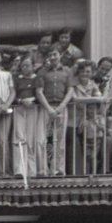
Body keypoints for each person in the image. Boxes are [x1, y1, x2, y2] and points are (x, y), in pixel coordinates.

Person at [36, 48, 74, 176]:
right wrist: (49, 108)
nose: (53, 57)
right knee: (45, 139)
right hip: (47, 107)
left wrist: (61, 107)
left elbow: (70, 90)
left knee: (60, 139)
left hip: (61, 107)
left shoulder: (67, 71)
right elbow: (39, 91)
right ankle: (44, 169)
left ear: (60, 55)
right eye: (50, 54)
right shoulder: (42, 72)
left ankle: (58, 169)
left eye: (55, 54)